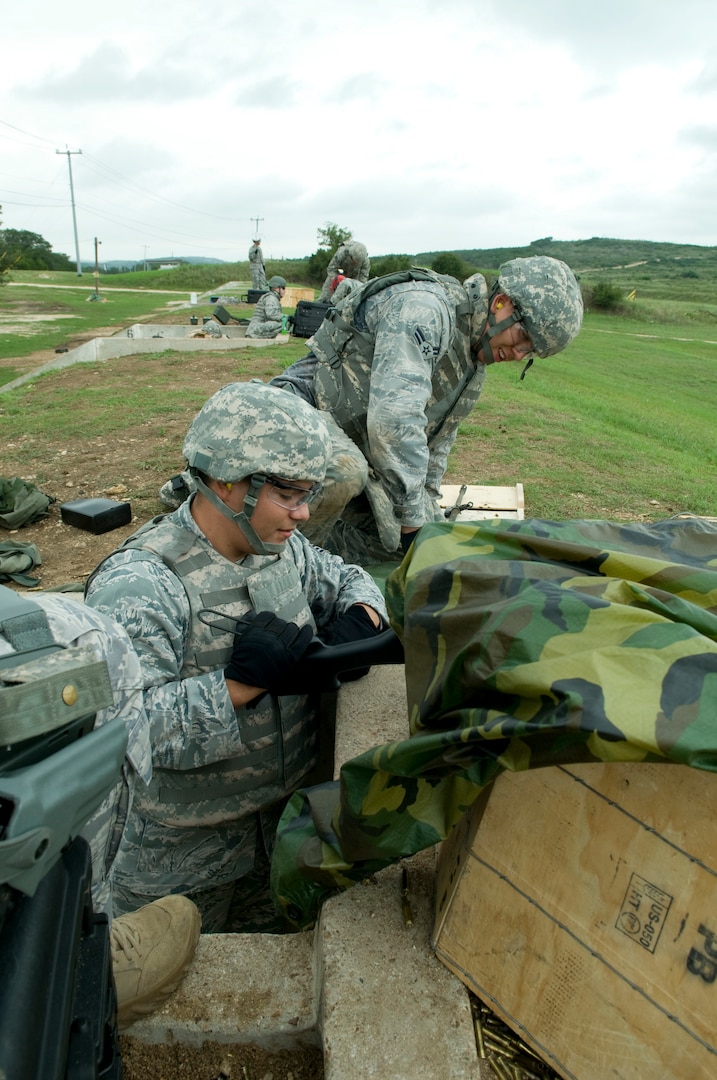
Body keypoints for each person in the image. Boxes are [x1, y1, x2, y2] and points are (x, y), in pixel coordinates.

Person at [84, 381, 388, 933]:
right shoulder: (142, 584)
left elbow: (349, 578)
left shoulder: (279, 545)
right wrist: (235, 687)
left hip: (279, 827)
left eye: (308, 497)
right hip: (181, 857)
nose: (302, 514)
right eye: (289, 495)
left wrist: (359, 623)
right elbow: (119, 731)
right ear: (227, 482)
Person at [270, 256, 584, 566]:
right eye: (523, 337)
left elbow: (437, 444)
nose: (518, 354)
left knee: (430, 539)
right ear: (501, 304)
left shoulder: (472, 365)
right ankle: (270, 560)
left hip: (357, 447)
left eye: (530, 352)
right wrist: (411, 522)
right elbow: (394, 420)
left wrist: (425, 512)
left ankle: (319, 558)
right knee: (344, 472)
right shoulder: (427, 308)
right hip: (295, 414)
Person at [0, 592, 201, 1030]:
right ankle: (76, 958)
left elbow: (339, 574)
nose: (300, 517)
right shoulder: (77, 635)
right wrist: (232, 689)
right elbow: (150, 716)